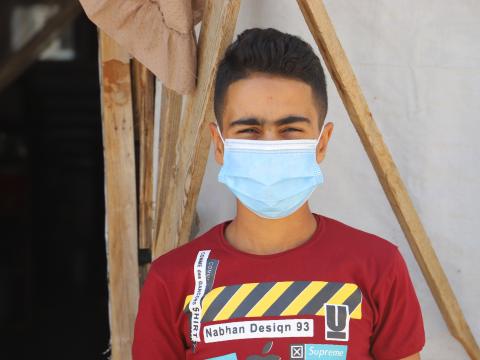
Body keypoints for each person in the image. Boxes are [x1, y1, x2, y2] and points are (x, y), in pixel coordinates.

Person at [132, 27, 425, 360]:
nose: (270, 145)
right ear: (219, 144)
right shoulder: (172, 281)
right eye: (250, 130)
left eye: (290, 130)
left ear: (322, 142)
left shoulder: (378, 268)